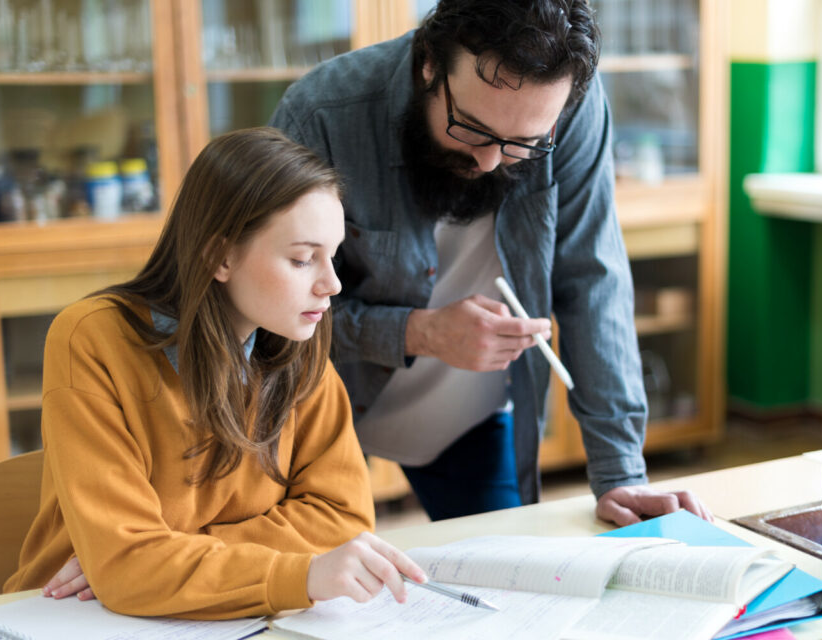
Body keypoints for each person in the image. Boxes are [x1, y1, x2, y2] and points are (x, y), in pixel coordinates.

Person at [268, 0, 712, 525]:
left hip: (466, 416)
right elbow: (271, 312)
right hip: (324, 403)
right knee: (321, 581)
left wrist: (620, 474)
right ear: (429, 63)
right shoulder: (322, 114)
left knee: (506, 579)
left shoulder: (570, 109)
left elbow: (593, 282)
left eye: (524, 143)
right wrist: (419, 333)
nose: (490, 162)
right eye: (472, 129)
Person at [4, 128, 426, 617]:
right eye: (301, 259)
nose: (330, 285)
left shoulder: (298, 342)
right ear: (219, 255)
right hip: (71, 615)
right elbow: (127, 568)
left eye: (332, 256)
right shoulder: (92, 340)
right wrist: (300, 572)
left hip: (205, 613)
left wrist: (162, 556)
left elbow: (344, 520)